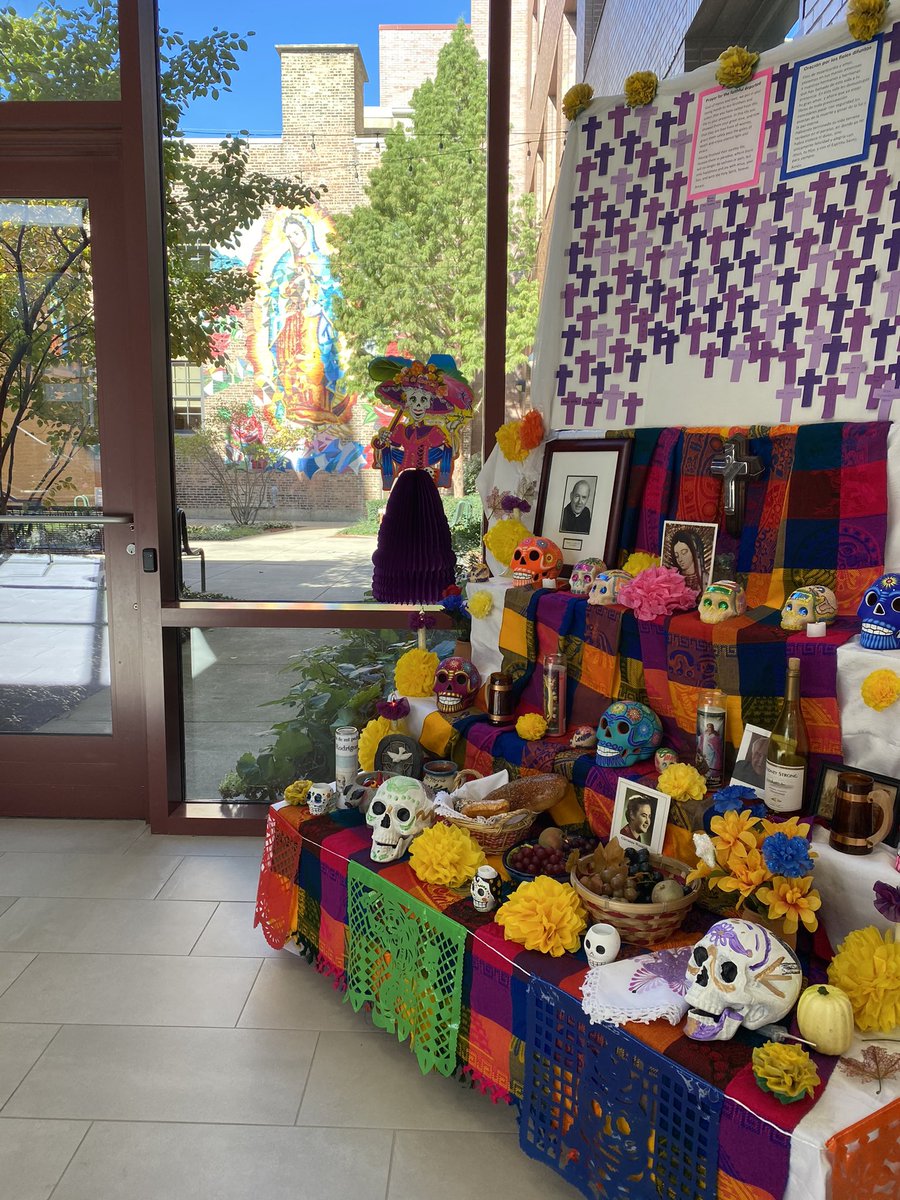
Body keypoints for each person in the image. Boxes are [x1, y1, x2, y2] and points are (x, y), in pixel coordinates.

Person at [670, 529, 707, 593]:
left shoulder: (706, 578)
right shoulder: (673, 578)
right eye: (676, 556)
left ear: (695, 552)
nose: (680, 559)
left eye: (684, 552)